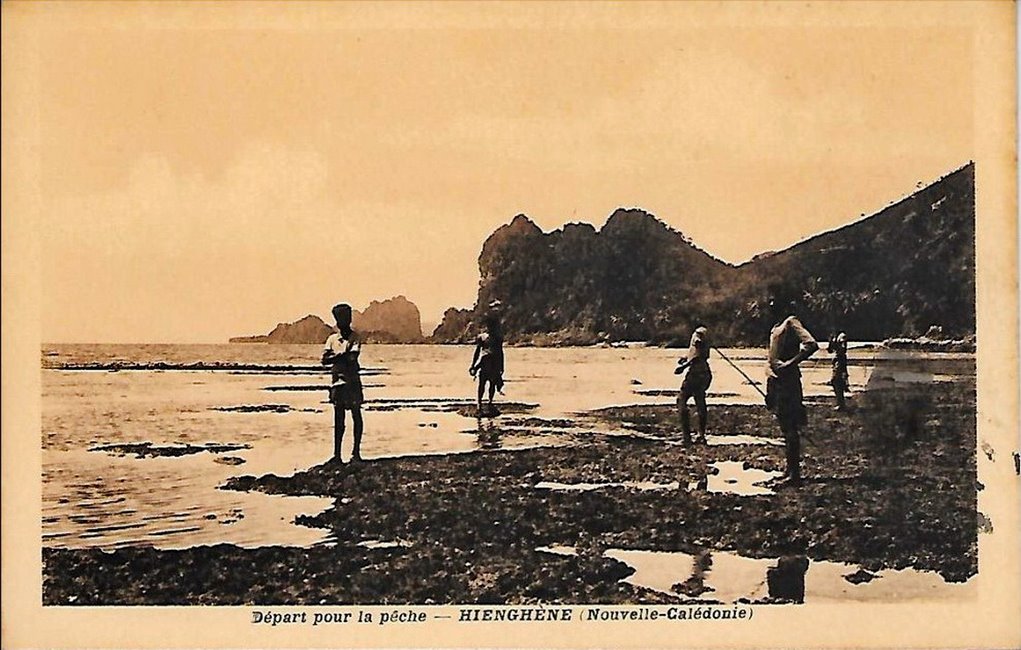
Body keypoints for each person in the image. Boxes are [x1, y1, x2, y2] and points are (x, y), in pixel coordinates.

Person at [765, 289, 819, 486]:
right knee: (784, 426)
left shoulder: (791, 322)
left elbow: (811, 344)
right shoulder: (776, 327)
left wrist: (790, 363)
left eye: (775, 301)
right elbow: (771, 357)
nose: (771, 305)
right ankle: (789, 470)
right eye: (770, 302)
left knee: (790, 427)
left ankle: (794, 474)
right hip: (776, 382)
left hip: (789, 382)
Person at [321, 303, 364, 463]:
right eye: (340, 320)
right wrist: (341, 356)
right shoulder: (332, 339)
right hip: (337, 382)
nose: (342, 323)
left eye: (345, 319)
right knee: (339, 419)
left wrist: (335, 357)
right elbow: (324, 360)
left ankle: (356, 453)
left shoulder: (355, 337)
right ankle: (337, 455)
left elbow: (352, 357)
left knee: (356, 414)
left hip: (351, 381)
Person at [675, 324, 712, 445]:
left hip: (696, 374)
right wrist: (686, 358)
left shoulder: (698, 333)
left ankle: (687, 437)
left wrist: (683, 367)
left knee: (681, 400)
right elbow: (696, 353)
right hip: (704, 373)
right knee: (700, 401)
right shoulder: (704, 333)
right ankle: (701, 435)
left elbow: (698, 356)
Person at [469, 302, 505, 416]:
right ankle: (482, 404)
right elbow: (477, 352)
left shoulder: (496, 337)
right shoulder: (484, 337)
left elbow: (500, 352)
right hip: (486, 362)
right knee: (485, 384)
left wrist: (501, 367)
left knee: (489, 384)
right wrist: (473, 365)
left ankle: (487, 403)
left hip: (489, 362)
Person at [829, 331, 849, 411]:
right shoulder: (834, 336)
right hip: (836, 360)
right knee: (836, 382)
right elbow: (830, 350)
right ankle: (840, 403)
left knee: (836, 381)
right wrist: (831, 342)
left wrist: (837, 352)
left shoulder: (842, 336)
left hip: (840, 360)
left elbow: (843, 349)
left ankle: (841, 404)